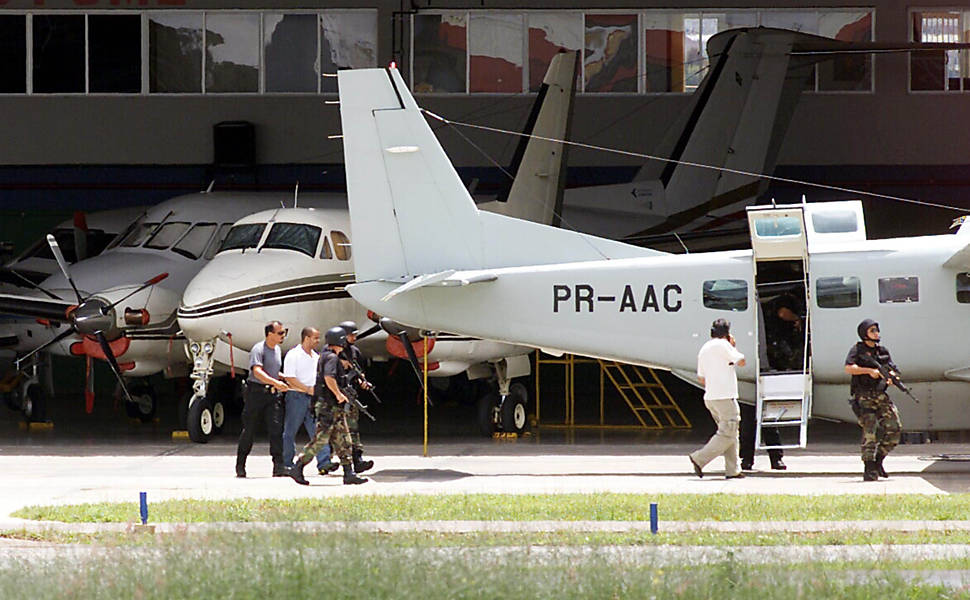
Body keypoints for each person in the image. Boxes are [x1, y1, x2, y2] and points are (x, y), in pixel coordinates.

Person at [287, 326, 367, 485]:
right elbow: (329, 378)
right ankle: (298, 466)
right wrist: (338, 394)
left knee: (343, 439)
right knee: (321, 439)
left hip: (331, 406)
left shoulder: (325, 356)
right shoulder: (331, 358)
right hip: (328, 406)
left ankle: (348, 473)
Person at [844, 319, 902, 481]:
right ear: (864, 334)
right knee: (870, 431)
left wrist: (892, 378)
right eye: (872, 331)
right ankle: (869, 467)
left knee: (895, 428)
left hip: (881, 395)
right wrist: (869, 371)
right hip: (864, 395)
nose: (876, 333)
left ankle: (878, 460)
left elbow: (894, 369)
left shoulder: (882, 351)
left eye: (877, 330)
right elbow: (849, 368)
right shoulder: (857, 350)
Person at [689, 318, 746, 479]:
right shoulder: (724, 345)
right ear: (726, 333)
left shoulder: (704, 348)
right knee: (727, 433)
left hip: (711, 397)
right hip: (725, 396)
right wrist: (733, 346)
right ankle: (699, 458)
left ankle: (733, 469)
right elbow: (741, 361)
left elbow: (701, 378)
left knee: (730, 433)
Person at [236, 321, 290, 478]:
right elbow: (257, 371)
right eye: (280, 333)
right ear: (270, 334)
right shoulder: (259, 349)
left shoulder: (277, 349)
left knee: (276, 430)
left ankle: (278, 466)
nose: (283, 336)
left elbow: (273, 371)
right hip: (257, 393)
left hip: (272, 395)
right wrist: (276, 382)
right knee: (249, 430)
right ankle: (241, 465)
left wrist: (284, 378)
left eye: (284, 332)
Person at [280, 327, 331, 474]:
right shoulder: (293, 355)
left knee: (317, 431)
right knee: (290, 431)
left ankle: (324, 462)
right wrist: (307, 389)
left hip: (312, 398)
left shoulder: (315, 356)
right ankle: (287, 462)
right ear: (306, 338)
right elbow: (289, 378)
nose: (318, 341)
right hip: (297, 396)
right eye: (315, 338)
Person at [337, 320, 375, 474]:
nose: (354, 338)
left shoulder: (355, 352)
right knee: (332, 432)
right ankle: (325, 462)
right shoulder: (333, 351)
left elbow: (359, 371)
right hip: (337, 394)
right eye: (352, 335)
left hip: (350, 394)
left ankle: (357, 460)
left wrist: (363, 382)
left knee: (353, 429)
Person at [739, 403, 786, 471]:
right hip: (747, 399)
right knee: (747, 428)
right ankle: (746, 459)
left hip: (765, 400)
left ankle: (776, 459)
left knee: (770, 426)